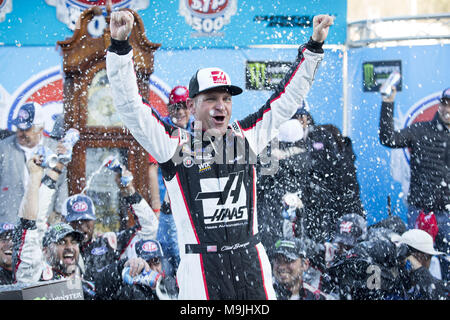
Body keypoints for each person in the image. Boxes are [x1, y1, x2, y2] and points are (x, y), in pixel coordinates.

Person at [106, 10, 333, 299]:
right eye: (211, 98)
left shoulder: (246, 136)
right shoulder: (174, 145)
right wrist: (120, 48)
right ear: (191, 105)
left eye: (226, 99)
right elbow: (131, 108)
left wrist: (313, 48)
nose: (221, 106)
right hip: (201, 266)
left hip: (250, 260)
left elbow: (285, 101)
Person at [379, 86, 450, 281]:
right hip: (420, 210)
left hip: (448, 213)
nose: (447, 110)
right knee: (415, 265)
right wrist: (388, 103)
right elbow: (388, 138)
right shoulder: (421, 130)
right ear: (439, 106)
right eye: (445, 104)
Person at [63, 165, 159, 291]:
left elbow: (150, 228)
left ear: (94, 220)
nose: (82, 227)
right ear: (64, 222)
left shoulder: (108, 242)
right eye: (76, 222)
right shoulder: (57, 250)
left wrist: (130, 192)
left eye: (86, 221)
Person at [0, 102, 68, 225]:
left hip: (41, 224)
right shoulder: (3, 149)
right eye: (19, 128)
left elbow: (62, 185)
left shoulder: (54, 150)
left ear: (40, 129)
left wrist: (57, 217)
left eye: (26, 129)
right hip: (6, 226)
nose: (21, 133)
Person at [396, 229, 449, 300]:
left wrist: (419, 270)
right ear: (421, 257)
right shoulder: (395, 280)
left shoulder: (430, 284)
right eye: (430, 256)